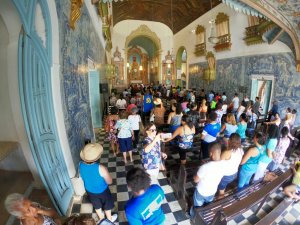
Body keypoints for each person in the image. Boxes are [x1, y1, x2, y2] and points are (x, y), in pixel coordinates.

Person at [79, 143, 117, 223]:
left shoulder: (80, 165)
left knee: (97, 205)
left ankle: (101, 219)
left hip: (90, 191)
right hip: (103, 191)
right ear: (97, 157)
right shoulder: (101, 168)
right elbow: (109, 181)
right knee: (107, 205)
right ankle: (109, 219)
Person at [189, 142, 226, 217]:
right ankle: (205, 215)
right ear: (219, 152)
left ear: (210, 153)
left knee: (197, 207)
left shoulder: (205, 167)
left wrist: (195, 174)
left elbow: (196, 180)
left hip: (201, 192)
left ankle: (194, 216)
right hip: (212, 191)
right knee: (208, 204)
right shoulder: (224, 164)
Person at [218, 134, 244, 198]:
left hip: (226, 176)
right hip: (234, 174)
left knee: (221, 192)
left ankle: (220, 203)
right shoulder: (241, 150)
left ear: (230, 141)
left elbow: (218, 164)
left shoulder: (227, 152)